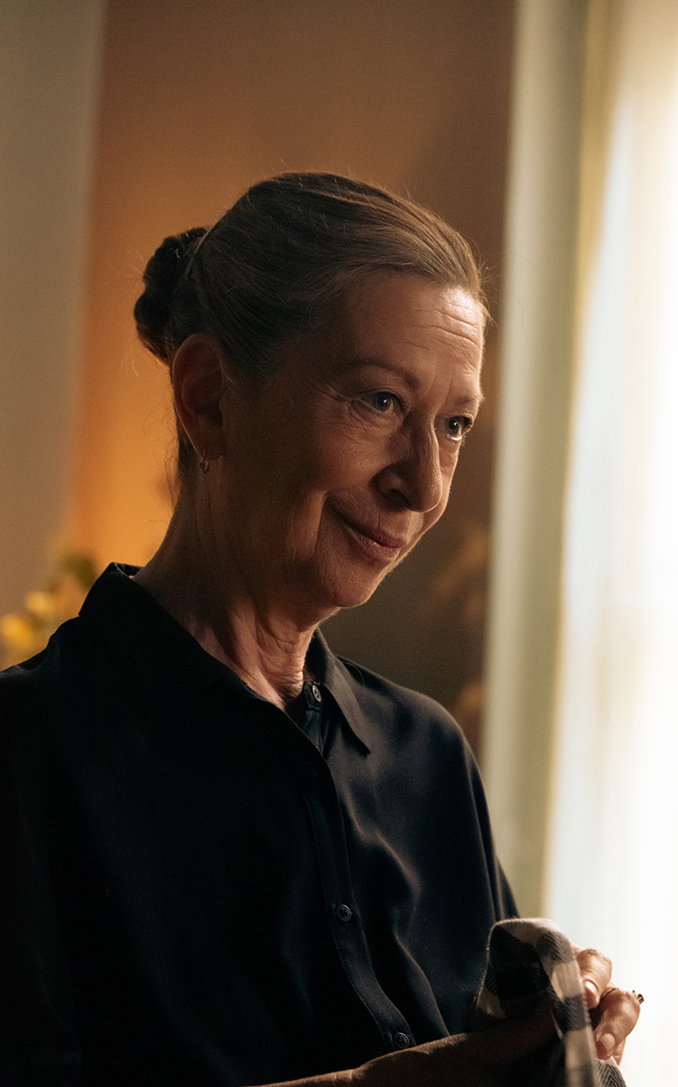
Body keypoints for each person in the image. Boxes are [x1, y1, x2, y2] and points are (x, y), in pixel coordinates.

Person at [0, 174, 640, 1086]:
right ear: (210, 398)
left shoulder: (428, 755)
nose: (424, 485)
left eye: (454, 424)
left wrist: (544, 1038)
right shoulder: (26, 756)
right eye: (380, 402)